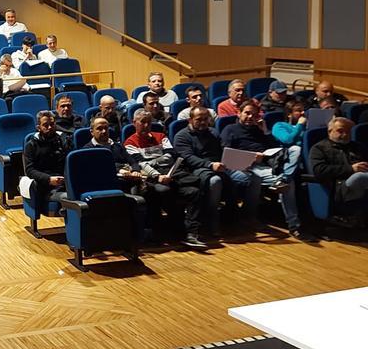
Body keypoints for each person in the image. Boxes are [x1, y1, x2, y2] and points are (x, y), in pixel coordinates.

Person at [220, 101, 312, 240]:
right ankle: (251, 217)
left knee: (294, 152)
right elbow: (226, 154)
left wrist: (265, 131)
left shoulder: (259, 129)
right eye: (247, 113)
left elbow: (274, 147)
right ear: (239, 113)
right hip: (244, 166)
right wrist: (251, 158)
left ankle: (283, 183)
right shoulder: (230, 129)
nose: (250, 117)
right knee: (263, 179)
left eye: (254, 114)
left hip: (266, 164)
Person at [172, 107, 261, 235]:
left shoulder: (213, 133)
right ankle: (212, 221)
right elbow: (188, 158)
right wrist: (209, 164)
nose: (203, 122)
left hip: (222, 166)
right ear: (190, 120)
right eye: (199, 119)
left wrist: (241, 161)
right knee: (215, 181)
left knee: (254, 178)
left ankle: (247, 216)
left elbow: (224, 150)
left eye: (205, 119)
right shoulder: (182, 136)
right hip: (197, 169)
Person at [124, 110, 206, 247]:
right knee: (163, 190)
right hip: (152, 178)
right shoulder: (130, 142)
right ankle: (173, 230)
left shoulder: (161, 136)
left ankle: (192, 233)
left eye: (149, 122)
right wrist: (157, 173)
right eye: (142, 122)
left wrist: (152, 161)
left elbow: (170, 156)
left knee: (195, 190)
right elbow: (140, 164)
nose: (146, 125)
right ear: (134, 123)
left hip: (172, 174)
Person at [309, 117, 368, 220]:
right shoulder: (319, 148)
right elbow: (319, 171)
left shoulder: (358, 146)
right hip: (339, 187)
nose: (345, 135)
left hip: (362, 183)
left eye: (348, 131)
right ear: (330, 131)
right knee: (359, 177)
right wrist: (351, 169)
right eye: (340, 131)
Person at [23, 111, 74, 217]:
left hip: (67, 183)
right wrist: (49, 179)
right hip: (47, 188)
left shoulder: (62, 140)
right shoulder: (31, 145)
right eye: (46, 125)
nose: (50, 127)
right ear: (38, 127)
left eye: (52, 124)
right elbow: (29, 170)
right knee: (71, 197)